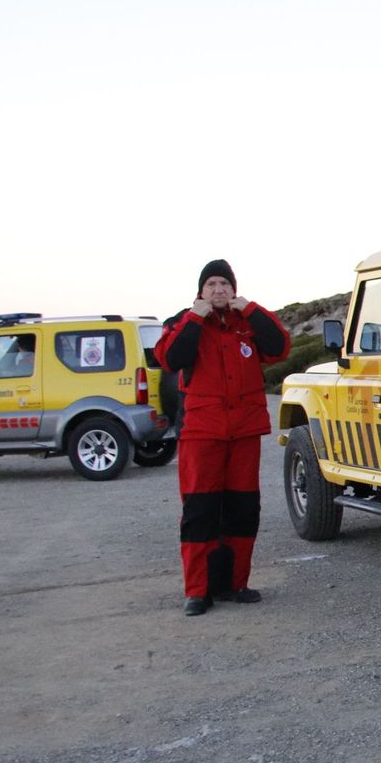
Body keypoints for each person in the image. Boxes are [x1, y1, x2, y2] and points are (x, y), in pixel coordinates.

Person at [155, 259, 290, 616]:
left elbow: (279, 347)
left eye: (225, 284)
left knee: (242, 510)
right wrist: (195, 317)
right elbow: (171, 358)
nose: (219, 290)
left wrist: (251, 309)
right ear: (201, 290)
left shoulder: (247, 323)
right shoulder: (183, 322)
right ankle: (197, 591)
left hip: (243, 431)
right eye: (212, 284)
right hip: (202, 433)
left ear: (234, 289)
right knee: (200, 512)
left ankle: (236, 584)